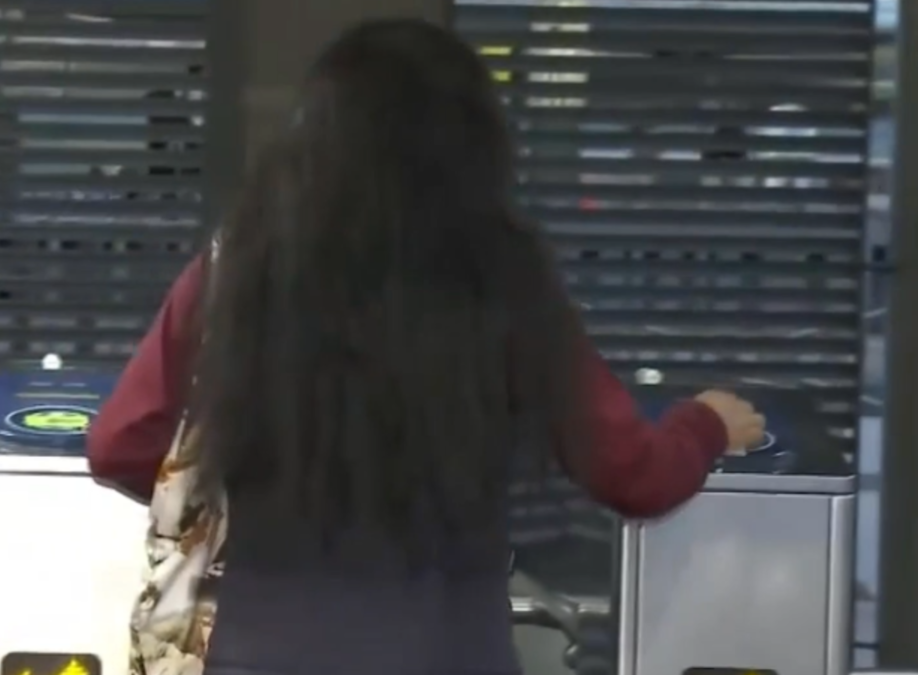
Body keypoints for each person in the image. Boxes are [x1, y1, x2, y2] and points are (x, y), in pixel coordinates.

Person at [88, 18, 765, 675]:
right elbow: (632, 473)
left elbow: (121, 443)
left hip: (259, 649)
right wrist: (704, 424)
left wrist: (226, 480)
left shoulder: (237, 269)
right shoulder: (504, 276)